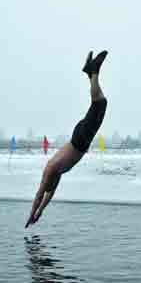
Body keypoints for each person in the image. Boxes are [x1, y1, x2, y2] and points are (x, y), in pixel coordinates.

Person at [25, 50, 108, 228]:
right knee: (99, 105)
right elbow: (47, 197)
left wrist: (31, 214)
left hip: (79, 140)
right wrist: (39, 213)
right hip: (80, 140)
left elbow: (40, 195)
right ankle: (90, 72)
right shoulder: (57, 174)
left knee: (99, 103)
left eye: (48, 186)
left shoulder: (51, 170)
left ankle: (94, 71)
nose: (50, 188)